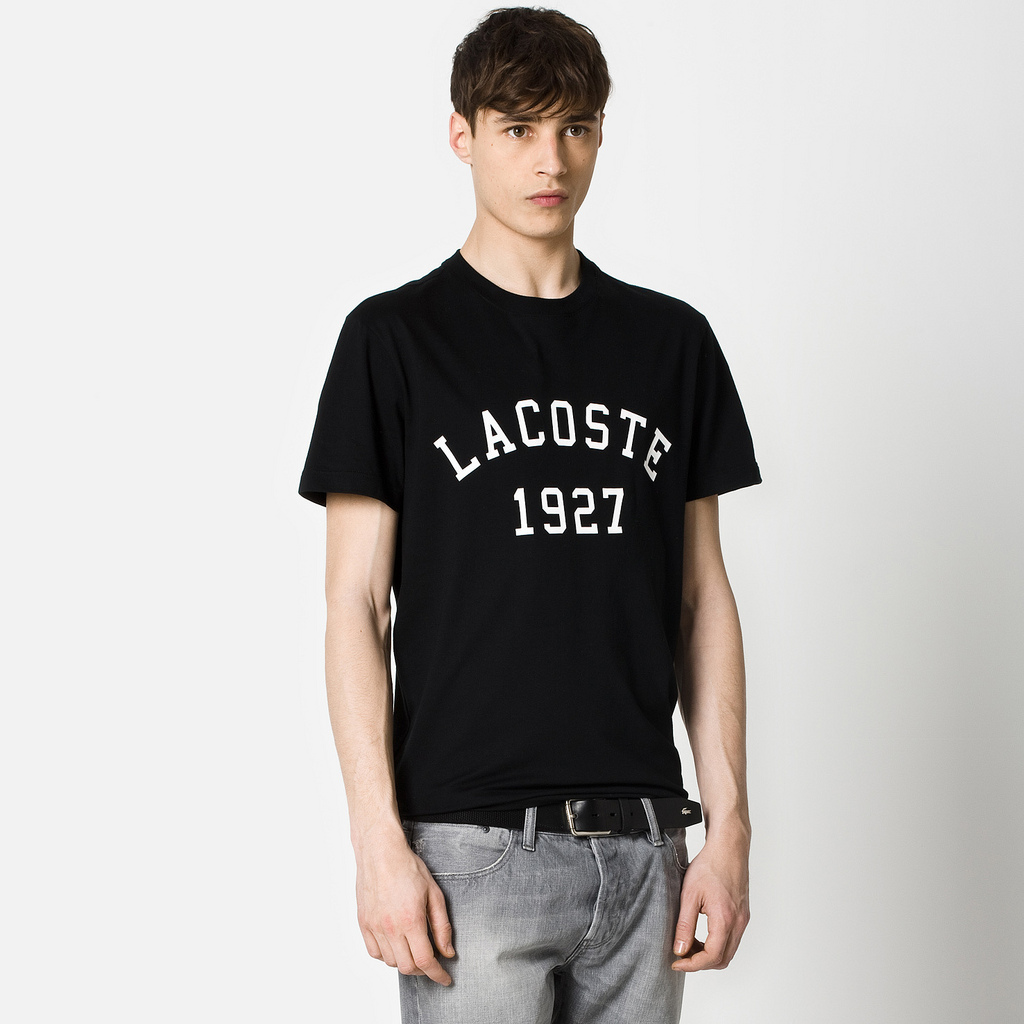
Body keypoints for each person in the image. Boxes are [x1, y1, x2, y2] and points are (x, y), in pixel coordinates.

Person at [298, 7, 761, 1022]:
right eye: (518, 128)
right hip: (471, 852)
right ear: (461, 135)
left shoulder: (672, 344)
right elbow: (354, 605)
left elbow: (702, 600)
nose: (551, 160)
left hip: (645, 846)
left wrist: (728, 829)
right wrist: (377, 842)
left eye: (575, 127)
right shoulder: (393, 341)